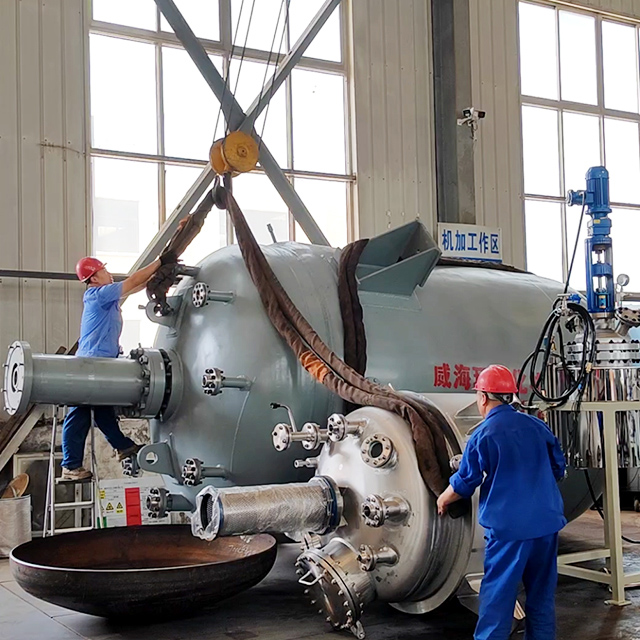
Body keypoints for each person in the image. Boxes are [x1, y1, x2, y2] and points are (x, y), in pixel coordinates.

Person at [437, 364, 566, 640]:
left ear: (483, 397)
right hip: (547, 524)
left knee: (497, 601)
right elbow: (558, 467)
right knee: (541, 599)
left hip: (510, 531)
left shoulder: (483, 434)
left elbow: (466, 481)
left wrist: (444, 498)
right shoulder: (537, 425)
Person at [60, 251, 176, 480]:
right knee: (79, 413)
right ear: (94, 278)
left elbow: (135, 286)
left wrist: (159, 274)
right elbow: (131, 282)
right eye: (104, 271)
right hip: (91, 364)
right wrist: (160, 261)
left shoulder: (106, 297)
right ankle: (70, 466)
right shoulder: (98, 295)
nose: (109, 274)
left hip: (102, 364)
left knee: (103, 409)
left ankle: (122, 446)